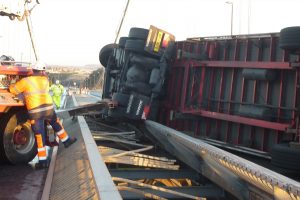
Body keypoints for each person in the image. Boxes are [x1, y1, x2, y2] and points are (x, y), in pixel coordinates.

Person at [9, 61, 77, 169]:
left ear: (32, 70)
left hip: (35, 112)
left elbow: (13, 90)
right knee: (56, 124)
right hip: (48, 109)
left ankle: (43, 162)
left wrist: (13, 84)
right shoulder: (45, 80)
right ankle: (67, 141)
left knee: (39, 135)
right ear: (42, 71)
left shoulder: (25, 81)